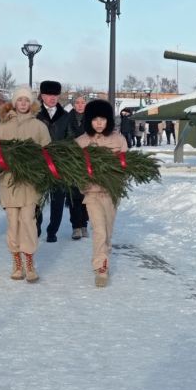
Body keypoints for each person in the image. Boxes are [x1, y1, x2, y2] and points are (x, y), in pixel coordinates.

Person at [0, 85, 51, 282]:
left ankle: (29, 261)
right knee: (13, 223)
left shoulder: (39, 126)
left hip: (29, 183)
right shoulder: (1, 126)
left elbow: (48, 153)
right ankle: (16, 261)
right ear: (14, 102)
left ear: (31, 103)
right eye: (20, 100)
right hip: (9, 182)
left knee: (28, 221)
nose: (23, 104)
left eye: (27, 100)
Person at [75, 99, 128, 287]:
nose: (99, 123)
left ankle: (104, 254)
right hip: (92, 194)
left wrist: (116, 179)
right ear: (89, 120)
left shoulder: (118, 140)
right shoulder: (81, 142)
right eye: (95, 119)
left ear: (108, 121)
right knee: (98, 230)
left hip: (111, 193)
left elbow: (126, 166)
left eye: (103, 119)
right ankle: (101, 268)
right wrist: (84, 184)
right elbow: (75, 170)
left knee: (107, 231)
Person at [35, 80, 71, 243]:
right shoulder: (34, 114)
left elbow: (70, 137)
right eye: (49, 95)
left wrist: (63, 152)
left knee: (58, 198)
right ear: (42, 95)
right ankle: (36, 226)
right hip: (39, 163)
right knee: (37, 197)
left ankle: (52, 230)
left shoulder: (65, 116)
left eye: (55, 95)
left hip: (59, 163)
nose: (52, 98)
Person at [66, 95, 89, 240]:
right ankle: (76, 226)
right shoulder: (67, 118)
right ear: (73, 104)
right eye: (77, 102)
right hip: (72, 160)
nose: (80, 105)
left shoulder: (91, 119)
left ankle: (84, 225)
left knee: (86, 193)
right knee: (74, 195)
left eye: (83, 102)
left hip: (88, 160)